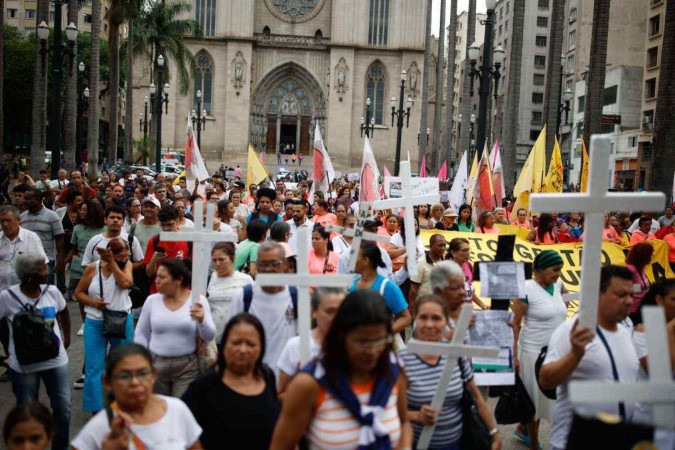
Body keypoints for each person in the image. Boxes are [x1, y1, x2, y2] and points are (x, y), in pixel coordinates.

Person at [269, 290, 413, 449]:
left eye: (379, 341)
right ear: (341, 336)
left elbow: (404, 422)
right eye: (361, 342)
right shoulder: (310, 384)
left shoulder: (392, 372)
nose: (371, 351)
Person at [539, 265, 641, 450]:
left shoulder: (626, 333)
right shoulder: (572, 331)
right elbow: (546, 380)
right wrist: (575, 354)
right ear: (598, 294)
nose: (628, 301)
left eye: (631, 295)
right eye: (620, 295)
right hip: (575, 442)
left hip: (619, 440)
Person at [399, 295, 502, 449]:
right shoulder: (401, 361)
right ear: (415, 319)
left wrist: (494, 433)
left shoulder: (456, 354)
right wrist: (415, 416)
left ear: (446, 322)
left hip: (457, 444)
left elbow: (477, 398)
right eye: (423, 317)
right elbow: (385, 411)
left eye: (436, 318)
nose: (429, 324)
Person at [0, 253, 71, 450]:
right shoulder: (7, 297)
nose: (47, 271)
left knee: (63, 410)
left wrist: (67, 339)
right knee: (27, 413)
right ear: (30, 274)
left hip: (56, 362)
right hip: (23, 367)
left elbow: (64, 311)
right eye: (42, 268)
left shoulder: (53, 292)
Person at [71, 344, 203, 449]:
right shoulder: (99, 428)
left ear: (154, 375)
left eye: (142, 373)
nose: (135, 382)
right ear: (108, 382)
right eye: (124, 376)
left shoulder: (176, 409)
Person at [182, 313, 280, 449]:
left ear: (261, 348)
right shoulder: (204, 386)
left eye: (251, 344)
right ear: (224, 346)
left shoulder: (267, 377)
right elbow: (182, 429)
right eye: (236, 343)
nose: (243, 350)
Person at [134, 259, 216, 397]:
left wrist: (202, 321)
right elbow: (141, 333)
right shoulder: (152, 300)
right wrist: (143, 358)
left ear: (178, 280)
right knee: (159, 411)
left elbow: (209, 335)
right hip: (156, 364)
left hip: (187, 367)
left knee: (182, 409)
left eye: (162, 277)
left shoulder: (198, 300)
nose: (156, 280)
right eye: (157, 276)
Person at [511, 250, 567, 450]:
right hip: (532, 352)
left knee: (550, 397)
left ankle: (521, 428)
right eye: (555, 270)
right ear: (541, 269)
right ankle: (534, 442)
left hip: (555, 352)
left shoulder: (560, 286)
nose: (558, 274)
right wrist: (513, 357)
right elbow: (515, 323)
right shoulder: (526, 288)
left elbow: (562, 314)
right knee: (533, 400)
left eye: (560, 270)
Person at [75, 238, 134, 413]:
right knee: (94, 366)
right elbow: (79, 293)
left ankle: (120, 403)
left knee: (121, 364)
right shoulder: (93, 268)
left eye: (126, 256)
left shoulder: (127, 265)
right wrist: (94, 303)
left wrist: (113, 264)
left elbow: (125, 283)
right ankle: (96, 408)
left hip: (121, 318)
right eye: (121, 256)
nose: (124, 259)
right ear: (111, 253)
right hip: (95, 320)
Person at [228, 242, 298, 376]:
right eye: (263, 264)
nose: (268, 269)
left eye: (274, 264)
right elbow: (232, 336)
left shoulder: (297, 296)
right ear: (257, 266)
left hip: (285, 375)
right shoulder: (243, 296)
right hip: (250, 374)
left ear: (285, 265)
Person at [277, 288, 346, 394]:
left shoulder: (351, 346)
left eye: (340, 312)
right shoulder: (295, 346)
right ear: (314, 312)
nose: (335, 318)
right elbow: (281, 393)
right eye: (329, 312)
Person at [350, 242, 411, 334]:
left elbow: (405, 317)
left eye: (354, 257)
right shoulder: (351, 286)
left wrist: (385, 334)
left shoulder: (388, 287)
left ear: (366, 261)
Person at [206, 242, 253, 342]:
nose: (217, 264)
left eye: (221, 259)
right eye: (214, 260)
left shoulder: (246, 280)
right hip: (213, 338)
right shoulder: (209, 279)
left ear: (232, 259)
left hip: (237, 337)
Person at [20, 188, 65, 285]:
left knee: (46, 292)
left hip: (46, 261)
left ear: (39, 199)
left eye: (28, 199)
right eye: (24, 198)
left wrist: (60, 262)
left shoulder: (52, 216)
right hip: (26, 261)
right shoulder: (21, 217)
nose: (25, 201)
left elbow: (60, 241)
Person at [144, 205, 192, 294]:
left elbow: (193, 271)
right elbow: (149, 273)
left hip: (180, 292)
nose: (166, 229)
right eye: (163, 225)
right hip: (158, 292)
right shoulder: (155, 241)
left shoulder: (188, 240)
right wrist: (154, 258)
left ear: (177, 221)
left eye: (170, 224)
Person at [446, 237, 489, 310]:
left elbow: (469, 291)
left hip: (468, 311)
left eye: (468, 250)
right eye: (464, 250)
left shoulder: (468, 265)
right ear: (453, 253)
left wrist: (482, 305)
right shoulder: (447, 270)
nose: (468, 253)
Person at [409, 234, 447, 305]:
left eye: (444, 245)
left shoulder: (445, 263)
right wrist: (412, 310)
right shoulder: (420, 263)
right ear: (431, 246)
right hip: (423, 306)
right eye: (440, 245)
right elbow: (413, 290)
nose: (443, 248)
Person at [625, 242, 654, 324]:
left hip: (641, 307)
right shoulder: (630, 269)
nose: (651, 257)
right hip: (632, 310)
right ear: (642, 257)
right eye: (649, 255)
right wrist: (639, 288)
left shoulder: (641, 268)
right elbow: (624, 289)